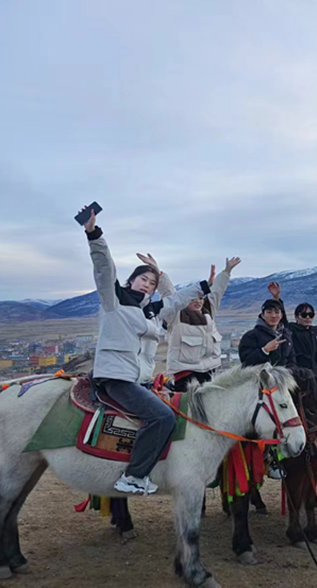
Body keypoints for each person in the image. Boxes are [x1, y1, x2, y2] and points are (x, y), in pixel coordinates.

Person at [80, 207, 210, 495]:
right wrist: (94, 234)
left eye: (152, 283)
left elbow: (176, 300)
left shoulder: (152, 312)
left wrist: (204, 286)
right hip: (117, 378)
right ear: (131, 280)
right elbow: (104, 268)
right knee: (162, 417)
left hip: (140, 380)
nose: (148, 285)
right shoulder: (114, 299)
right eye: (143, 279)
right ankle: (134, 475)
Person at [163, 257, 241, 391]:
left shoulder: (208, 310)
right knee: (187, 403)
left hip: (209, 370)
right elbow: (168, 295)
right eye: (193, 298)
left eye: (200, 298)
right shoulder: (176, 316)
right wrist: (161, 277)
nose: (198, 301)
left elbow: (217, 290)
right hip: (185, 373)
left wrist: (227, 271)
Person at [238, 298, 297, 368]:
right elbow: (245, 362)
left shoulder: (285, 335)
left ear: (281, 316)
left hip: (283, 374)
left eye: (277, 312)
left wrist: (290, 371)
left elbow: (292, 359)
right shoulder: (251, 336)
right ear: (262, 315)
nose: (273, 315)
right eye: (269, 312)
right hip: (260, 374)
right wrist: (264, 350)